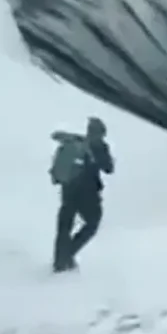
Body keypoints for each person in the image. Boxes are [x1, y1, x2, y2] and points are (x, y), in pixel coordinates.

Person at [50, 117, 114, 273]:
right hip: (88, 193)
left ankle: (60, 262)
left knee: (65, 225)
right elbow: (108, 168)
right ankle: (67, 255)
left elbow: (55, 136)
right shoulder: (99, 147)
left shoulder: (76, 143)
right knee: (92, 223)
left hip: (68, 190)